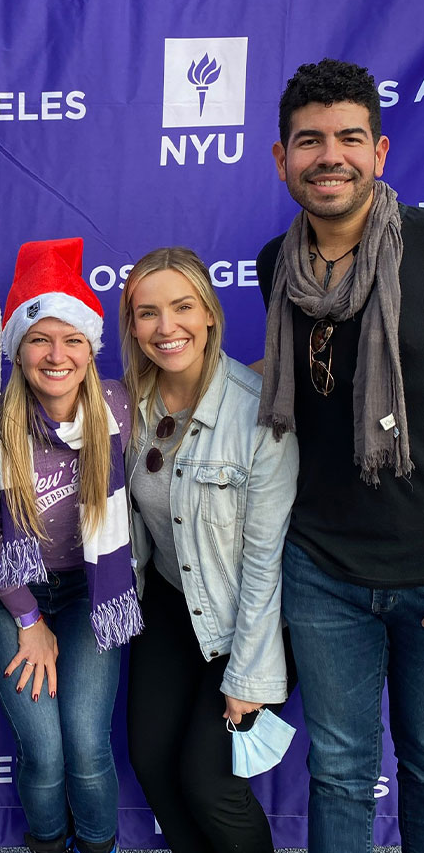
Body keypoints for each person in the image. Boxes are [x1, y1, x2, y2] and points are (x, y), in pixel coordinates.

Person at [257, 58, 424, 852]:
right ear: (283, 158)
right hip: (322, 565)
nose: (331, 156)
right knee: (342, 770)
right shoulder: (275, 266)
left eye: (349, 138)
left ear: (380, 152)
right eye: (310, 140)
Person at [0, 238, 141, 853]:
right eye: (39, 338)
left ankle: (96, 845)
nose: (56, 354)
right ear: (16, 349)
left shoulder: (120, 407)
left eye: (72, 339)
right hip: (17, 596)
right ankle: (45, 842)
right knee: (42, 750)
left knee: (87, 745)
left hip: (94, 594)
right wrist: (30, 621)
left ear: (91, 348)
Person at [120, 246, 298, 853]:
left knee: (208, 780)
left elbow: (265, 564)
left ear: (210, 315)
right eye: (147, 313)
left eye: (182, 307)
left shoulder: (258, 414)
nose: (166, 328)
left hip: (245, 616)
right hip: (170, 606)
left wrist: (249, 674)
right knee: (150, 761)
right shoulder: (130, 407)